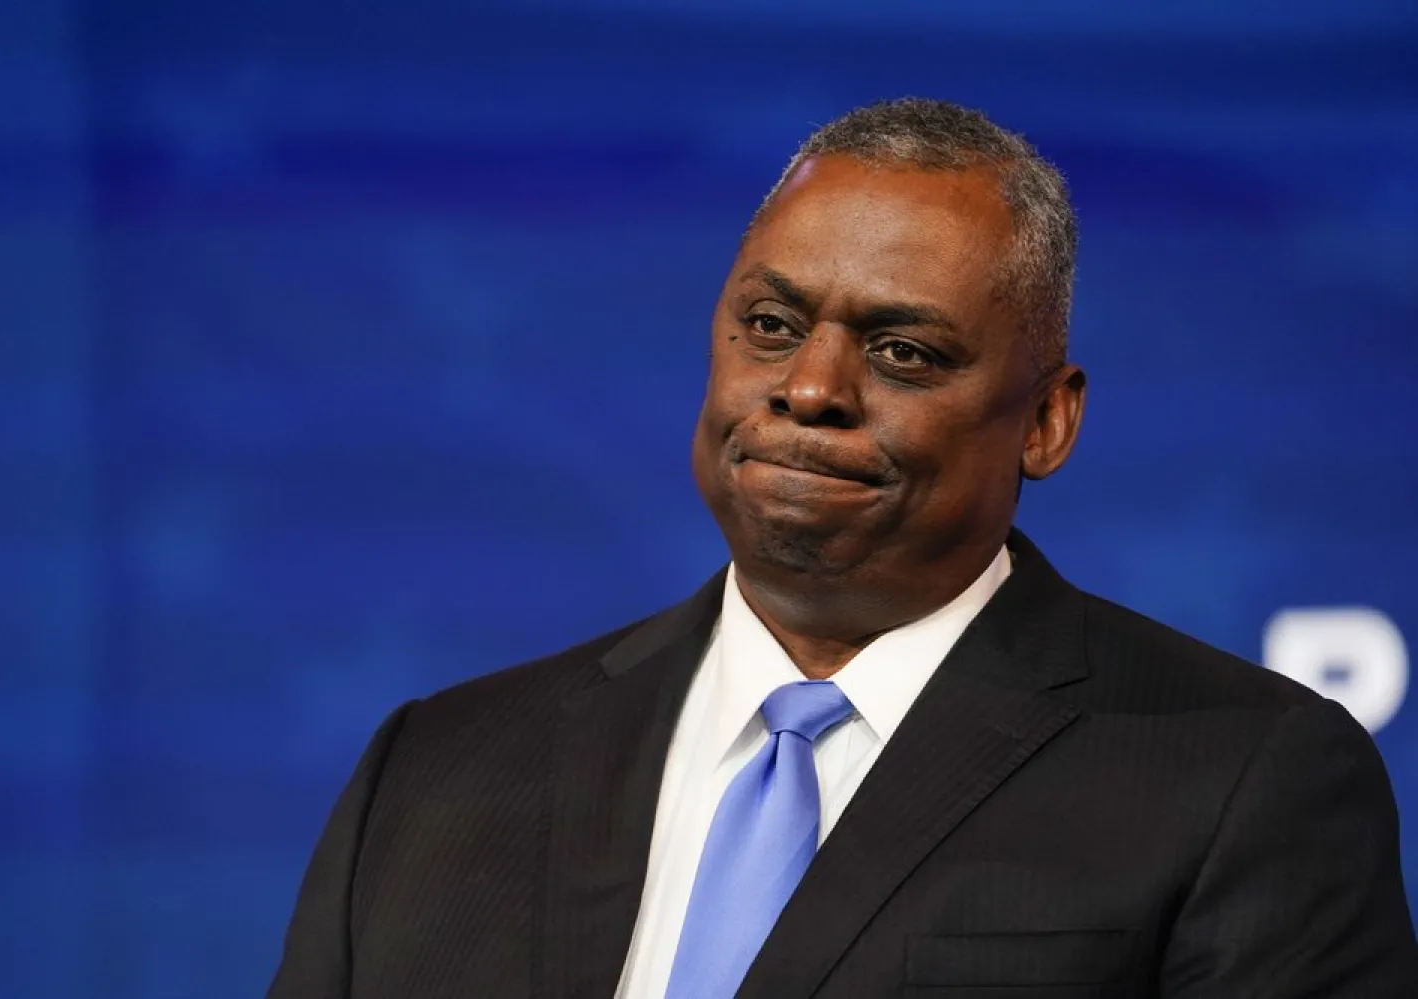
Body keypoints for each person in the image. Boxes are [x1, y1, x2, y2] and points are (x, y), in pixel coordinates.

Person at [265, 99, 1416, 998]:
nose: (811, 388)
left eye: (903, 351)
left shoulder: (1240, 781)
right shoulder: (439, 771)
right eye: (771, 327)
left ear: (1047, 421)